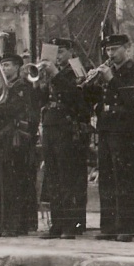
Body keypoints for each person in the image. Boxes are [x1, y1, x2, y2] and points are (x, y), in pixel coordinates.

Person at [83, 34, 134, 242]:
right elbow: (92, 100)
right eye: (108, 50)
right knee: (107, 179)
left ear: (127, 48)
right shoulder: (106, 72)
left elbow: (133, 101)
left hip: (126, 130)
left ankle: (127, 227)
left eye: (115, 49)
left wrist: (111, 79)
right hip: (106, 128)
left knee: (125, 179)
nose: (111, 54)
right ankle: (109, 226)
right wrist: (90, 84)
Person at [36, 38, 90, 240]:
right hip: (50, 125)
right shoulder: (50, 73)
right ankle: (56, 224)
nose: (57, 56)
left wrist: (55, 75)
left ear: (70, 52)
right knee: (53, 177)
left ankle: (70, 224)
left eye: (60, 52)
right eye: (54, 52)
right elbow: (40, 101)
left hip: (68, 127)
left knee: (68, 178)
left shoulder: (76, 69)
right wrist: (39, 81)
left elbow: (76, 97)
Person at [0, 53, 33, 238]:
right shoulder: (0, 86)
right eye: (3, 65)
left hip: (12, 136)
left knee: (11, 181)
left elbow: (14, 108)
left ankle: (12, 225)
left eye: (8, 65)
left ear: (17, 67)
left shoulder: (22, 86)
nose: (5, 68)